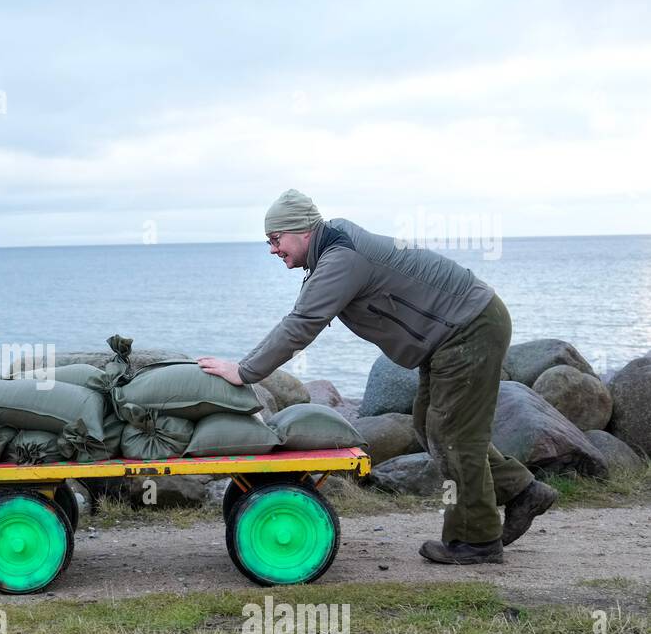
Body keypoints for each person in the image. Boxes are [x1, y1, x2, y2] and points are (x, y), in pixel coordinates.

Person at [198, 188, 558, 565]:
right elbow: (302, 316)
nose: (273, 249)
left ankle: (477, 541)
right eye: (268, 241)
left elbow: (303, 323)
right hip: (453, 334)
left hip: (469, 328)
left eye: (276, 239)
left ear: (303, 231)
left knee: (455, 435)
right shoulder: (333, 250)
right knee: (429, 425)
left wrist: (244, 371)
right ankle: (521, 490)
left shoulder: (341, 257)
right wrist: (246, 366)